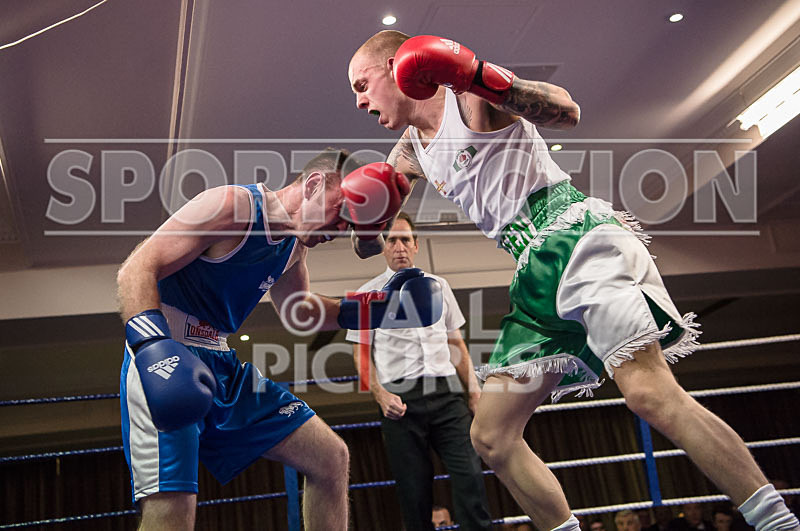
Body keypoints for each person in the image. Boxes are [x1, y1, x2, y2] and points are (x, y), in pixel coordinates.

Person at [347, 30, 800, 531]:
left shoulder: (467, 98)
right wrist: (359, 222)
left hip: (575, 235)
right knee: (491, 436)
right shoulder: (408, 151)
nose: (360, 100)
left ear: (396, 65)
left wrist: (480, 76)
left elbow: (566, 111)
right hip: (530, 268)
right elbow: (368, 241)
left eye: (362, 84)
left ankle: (777, 523)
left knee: (648, 393)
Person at [116, 149, 442, 530]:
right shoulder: (233, 206)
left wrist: (375, 309)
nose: (341, 229)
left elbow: (299, 312)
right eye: (340, 213)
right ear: (314, 184)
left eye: (349, 223)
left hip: (221, 361)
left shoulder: (293, 248)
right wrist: (154, 349)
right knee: (172, 510)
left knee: (331, 458)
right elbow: (136, 269)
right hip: (165, 353)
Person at [347, 212, 492, 530]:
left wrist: (474, 392)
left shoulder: (440, 285)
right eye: (392, 240)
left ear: (416, 245)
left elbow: (456, 343)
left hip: (447, 394)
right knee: (413, 492)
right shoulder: (366, 295)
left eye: (405, 240)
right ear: (383, 247)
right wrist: (380, 395)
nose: (399, 247)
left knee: (470, 475)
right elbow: (361, 356)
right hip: (400, 401)